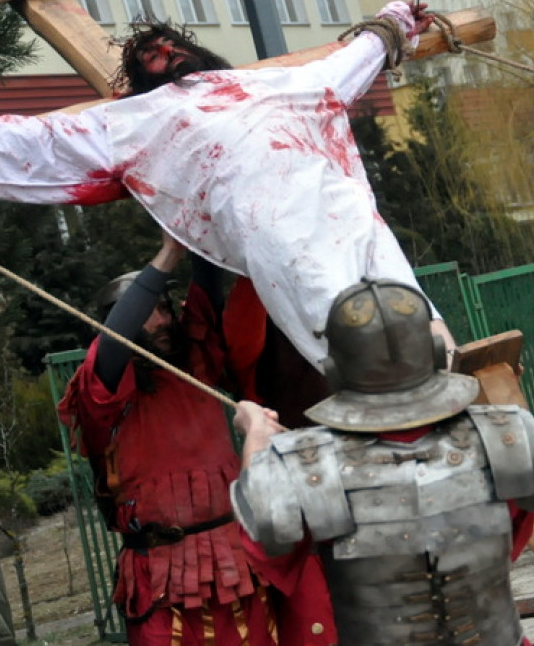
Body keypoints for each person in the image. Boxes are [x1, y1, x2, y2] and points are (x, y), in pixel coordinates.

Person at [0, 0, 456, 367]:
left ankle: (452, 388)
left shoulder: (275, 83)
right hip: (275, 232)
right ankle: (388, 418)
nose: (166, 53)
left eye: (168, 44)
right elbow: (44, 141)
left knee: (413, 312)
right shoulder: (138, 118)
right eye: (150, 56)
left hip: (345, 210)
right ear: (141, 79)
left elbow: (354, 59)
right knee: (339, 324)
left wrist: (394, 20)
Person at [229, 279, 534, 646]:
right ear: (434, 353)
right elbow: (509, 543)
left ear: (334, 372)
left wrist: (256, 437)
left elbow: (267, 551)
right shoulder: (506, 435)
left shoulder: (304, 465)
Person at [57, 232, 335, 646]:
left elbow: (206, 290)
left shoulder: (197, 364)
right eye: (148, 312)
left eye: (164, 308)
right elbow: (113, 345)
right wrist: (170, 251)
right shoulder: (102, 393)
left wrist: (197, 230)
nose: (163, 320)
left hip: (234, 565)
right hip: (159, 577)